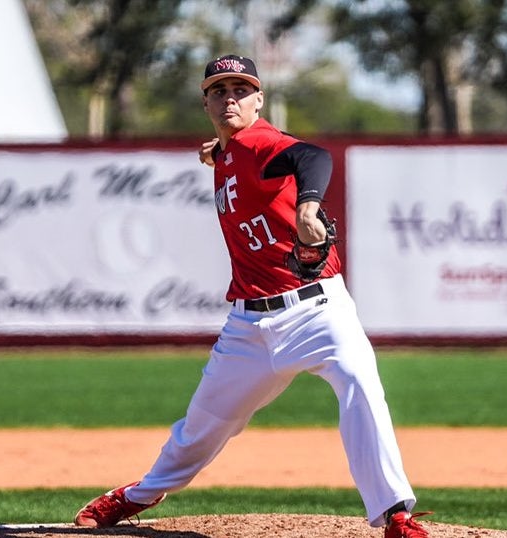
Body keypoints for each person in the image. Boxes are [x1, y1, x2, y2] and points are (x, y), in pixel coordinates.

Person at [74, 54, 431, 538]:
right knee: (202, 425)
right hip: (247, 327)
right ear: (206, 103)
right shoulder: (226, 153)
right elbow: (232, 157)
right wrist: (217, 153)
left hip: (317, 310)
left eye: (241, 90)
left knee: (360, 386)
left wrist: (308, 206)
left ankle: (396, 515)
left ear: (259, 99)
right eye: (219, 91)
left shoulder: (259, 141)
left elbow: (312, 157)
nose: (230, 98)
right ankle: (138, 495)